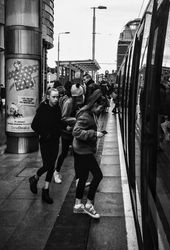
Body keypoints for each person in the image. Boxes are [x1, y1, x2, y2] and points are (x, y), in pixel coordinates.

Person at [72, 89, 105, 219]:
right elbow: (76, 131)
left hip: (81, 149)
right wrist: (94, 134)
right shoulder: (86, 115)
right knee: (98, 175)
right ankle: (89, 205)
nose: (101, 110)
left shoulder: (89, 113)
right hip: (83, 151)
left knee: (83, 177)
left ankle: (78, 205)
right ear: (95, 104)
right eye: (100, 108)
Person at [29, 88, 63, 204]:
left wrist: (64, 127)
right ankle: (35, 178)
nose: (56, 99)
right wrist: (44, 133)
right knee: (47, 165)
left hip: (55, 140)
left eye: (57, 97)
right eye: (54, 97)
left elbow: (58, 122)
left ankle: (45, 190)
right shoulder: (42, 109)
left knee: (51, 166)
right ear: (48, 97)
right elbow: (34, 125)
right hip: (45, 141)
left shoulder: (57, 108)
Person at [53, 81, 75, 184]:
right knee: (64, 153)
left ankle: (79, 178)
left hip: (72, 131)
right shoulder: (69, 102)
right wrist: (75, 120)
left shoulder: (71, 100)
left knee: (76, 154)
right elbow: (63, 117)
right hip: (66, 131)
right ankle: (56, 172)